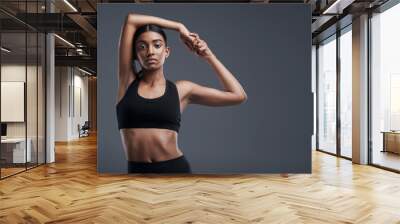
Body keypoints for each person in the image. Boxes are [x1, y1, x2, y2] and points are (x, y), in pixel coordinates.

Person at [116, 13, 247, 174]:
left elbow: (238, 95)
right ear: (135, 54)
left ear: (167, 51)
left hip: (174, 169)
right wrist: (179, 27)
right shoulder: (126, 83)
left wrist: (209, 56)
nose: (150, 51)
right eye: (142, 47)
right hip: (137, 171)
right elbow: (131, 19)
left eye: (157, 45)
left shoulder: (181, 90)